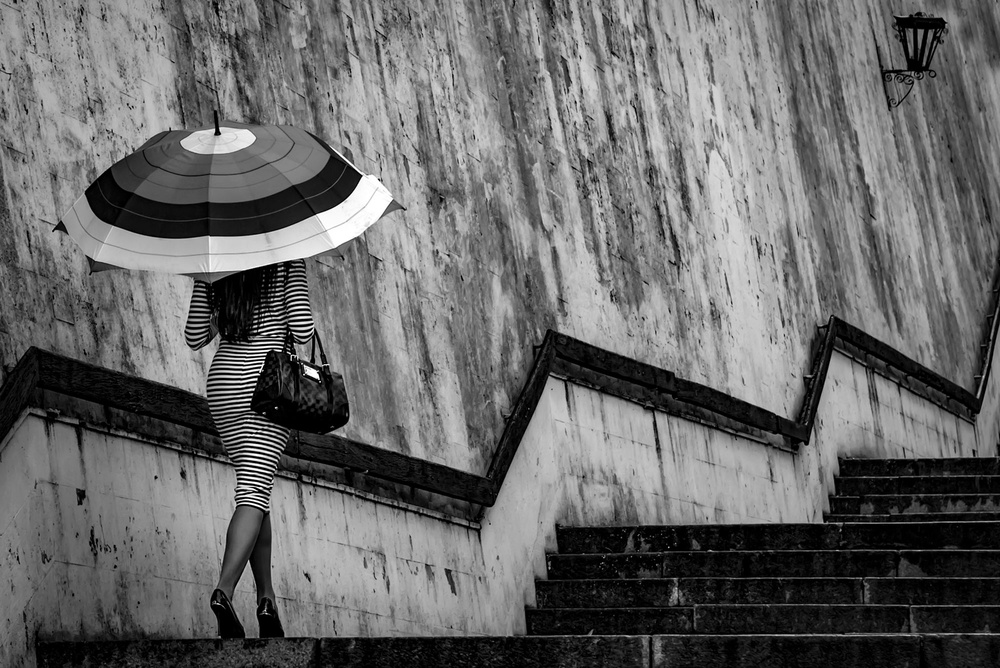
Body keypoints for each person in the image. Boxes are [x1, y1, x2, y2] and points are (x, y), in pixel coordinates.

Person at [184, 258, 315, 639]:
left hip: (224, 384)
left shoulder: (217, 256)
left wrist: (208, 279)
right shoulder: (287, 255)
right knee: (253, 493)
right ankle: (223, 592)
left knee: (255, 491)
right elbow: (303, 328)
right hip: (267, 386)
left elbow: (195, 336)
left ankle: (266, 600)